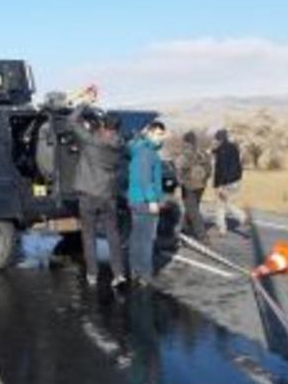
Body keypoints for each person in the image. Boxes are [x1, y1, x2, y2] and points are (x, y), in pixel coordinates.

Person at [69, 105, 126, 288]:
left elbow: (71, 121)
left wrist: (84, 104)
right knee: (113, 235)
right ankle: (118, 274)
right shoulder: (120, 144)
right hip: (108, 195)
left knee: (89, 235)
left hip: (88, 195)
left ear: (103, 125)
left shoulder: (92, 141)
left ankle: (92, 274)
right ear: (117, 127)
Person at [127, 121, 167, 286]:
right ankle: (145, 274)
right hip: (144, 201)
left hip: (136, 199)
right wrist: (152, 200)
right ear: (149, 133)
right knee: (145, 239)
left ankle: (135, 270)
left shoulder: (141, 149)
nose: (161, 138)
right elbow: (145, 179)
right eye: (158, 134)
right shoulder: (146, 153)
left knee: (137, 237)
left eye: (162, 134)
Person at [176, 131, 212, 242]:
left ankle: (202, 236)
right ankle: (184, 228)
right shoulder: (203, 153)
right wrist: (204, 180)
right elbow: (209, 169)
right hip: (201, 185)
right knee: (192, 206)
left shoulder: (186, 153)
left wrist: (179, 181)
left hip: (189, 185)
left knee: (193, 210)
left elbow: (179, 167)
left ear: (186, 141)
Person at [212, 129, 246, 235]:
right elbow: (238, 164)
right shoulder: (234, 147)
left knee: (222, 204)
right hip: (236, 180)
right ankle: (222, 228)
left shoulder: (221, 151)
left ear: (219, 139)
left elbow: (221, 169)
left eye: (216, 139)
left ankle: (241, 217)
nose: (215, 141)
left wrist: (218, 185)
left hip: (225, 182)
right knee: (225, 203)